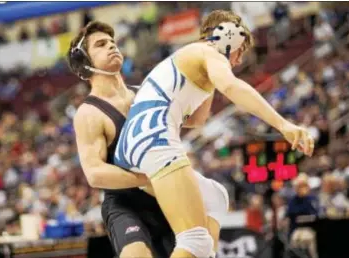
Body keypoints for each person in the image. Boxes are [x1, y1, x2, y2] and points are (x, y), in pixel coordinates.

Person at [114, 9, 315, 258]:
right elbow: (232, 86)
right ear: (228, 37)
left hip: (133, 145)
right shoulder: (207, 51)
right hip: (153, 138)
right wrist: (283, 124)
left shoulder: (191, 56)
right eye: (240, 51)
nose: (239, 61)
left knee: (216, 197)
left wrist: (207, 86)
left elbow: (197, 120)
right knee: (195, 240)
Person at [68, 21, 229, 258]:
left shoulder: (145, 94)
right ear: (85, 63)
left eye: (113, 42)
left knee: (197, 245)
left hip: (164, 197)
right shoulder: (89, 113)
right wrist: (153, 176)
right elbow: (95, 173)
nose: (112, 47)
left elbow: (195, 119)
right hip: (126, 204)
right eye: (101, 45)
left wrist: (208, 73)